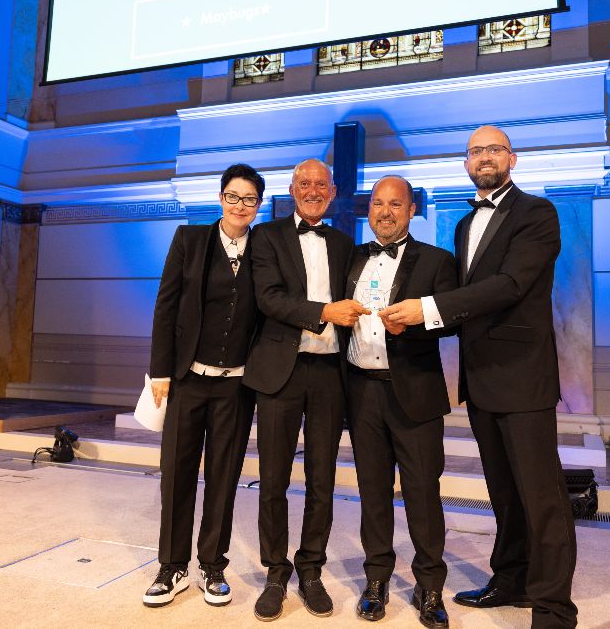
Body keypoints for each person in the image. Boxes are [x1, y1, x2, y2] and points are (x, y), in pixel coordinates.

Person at [382, 126, 578, 628]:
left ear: (512, 158)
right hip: (482, 378)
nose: (484, 157)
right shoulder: (466, 224)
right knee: (504, 493)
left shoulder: (537, 213)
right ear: (466, 162)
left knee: (543, 497)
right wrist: (414, 319)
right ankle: (510, 580)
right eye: (475, 151)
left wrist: (425, 307)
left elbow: (510, 285)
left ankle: (554, 608)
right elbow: (468, 307)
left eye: (493, 149)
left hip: (524, 377)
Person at [242, 158, 364, 622]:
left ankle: (310, 569)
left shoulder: (343, 242)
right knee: (272, 478)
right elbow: (268, 298)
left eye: (321, 184)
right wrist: (324, 312)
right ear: (293, 189)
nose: (313, 190)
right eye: (305, 183)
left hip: (330, 372)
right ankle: (276, 570)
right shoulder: (267, 236)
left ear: (332, 193)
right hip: (281, 371)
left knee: (322, 478)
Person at [143, 163, 265, 609]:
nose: (240, 205)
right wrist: (160, 370)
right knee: (175, 475)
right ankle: (171, 567)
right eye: (233, 196)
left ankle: (213, 565)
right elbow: (166, 307)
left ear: (258, 206)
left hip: (237, 388)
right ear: (220, 198)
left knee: (223, 477)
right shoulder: (189, 241)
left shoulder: (265, 249)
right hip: (188, 381)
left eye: (249, 199)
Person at [346, 176, 456, 628]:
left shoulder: (437, 260)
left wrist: (413, 323)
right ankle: (376, 579)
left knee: (422, 494)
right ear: (368, 210)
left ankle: (429, 586)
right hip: (361, 390)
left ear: (412, 210)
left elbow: (451, 321)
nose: (385, 211)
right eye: (378, 203)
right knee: (372, 491)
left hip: (414, 392)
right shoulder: (352, 258)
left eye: (396, 204)